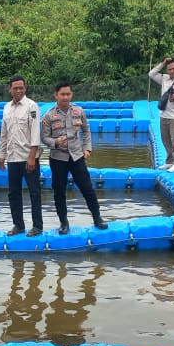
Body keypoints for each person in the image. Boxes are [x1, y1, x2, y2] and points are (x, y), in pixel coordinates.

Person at [40, 83, 108, 234]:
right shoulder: (49, 116)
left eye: (68, 94)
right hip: (58, 158)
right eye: (62, 94)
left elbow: (87, 130)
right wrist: (55, 142)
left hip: (77, 156)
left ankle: (97, 218)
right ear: (56, 95)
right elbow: (44, 137)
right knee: (59, 191)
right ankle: (64, 223)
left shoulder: (79, 111)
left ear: (71, 95)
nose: (65, 97)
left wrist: (87, 148)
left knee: (87, 188)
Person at [0, 75, 44, 236]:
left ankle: (37, 226)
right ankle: (18, 225)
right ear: (9, 89)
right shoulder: (6, 108)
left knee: (34, 192)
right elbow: (4, 133)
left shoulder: (31, 106)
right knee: (13, 193)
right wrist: (1, 155)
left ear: (25, 88)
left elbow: (35, 133)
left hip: (28, 157)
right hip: (12, 158)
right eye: (15, 87)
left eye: (21, 87)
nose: (18, 90)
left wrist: (32, 157)